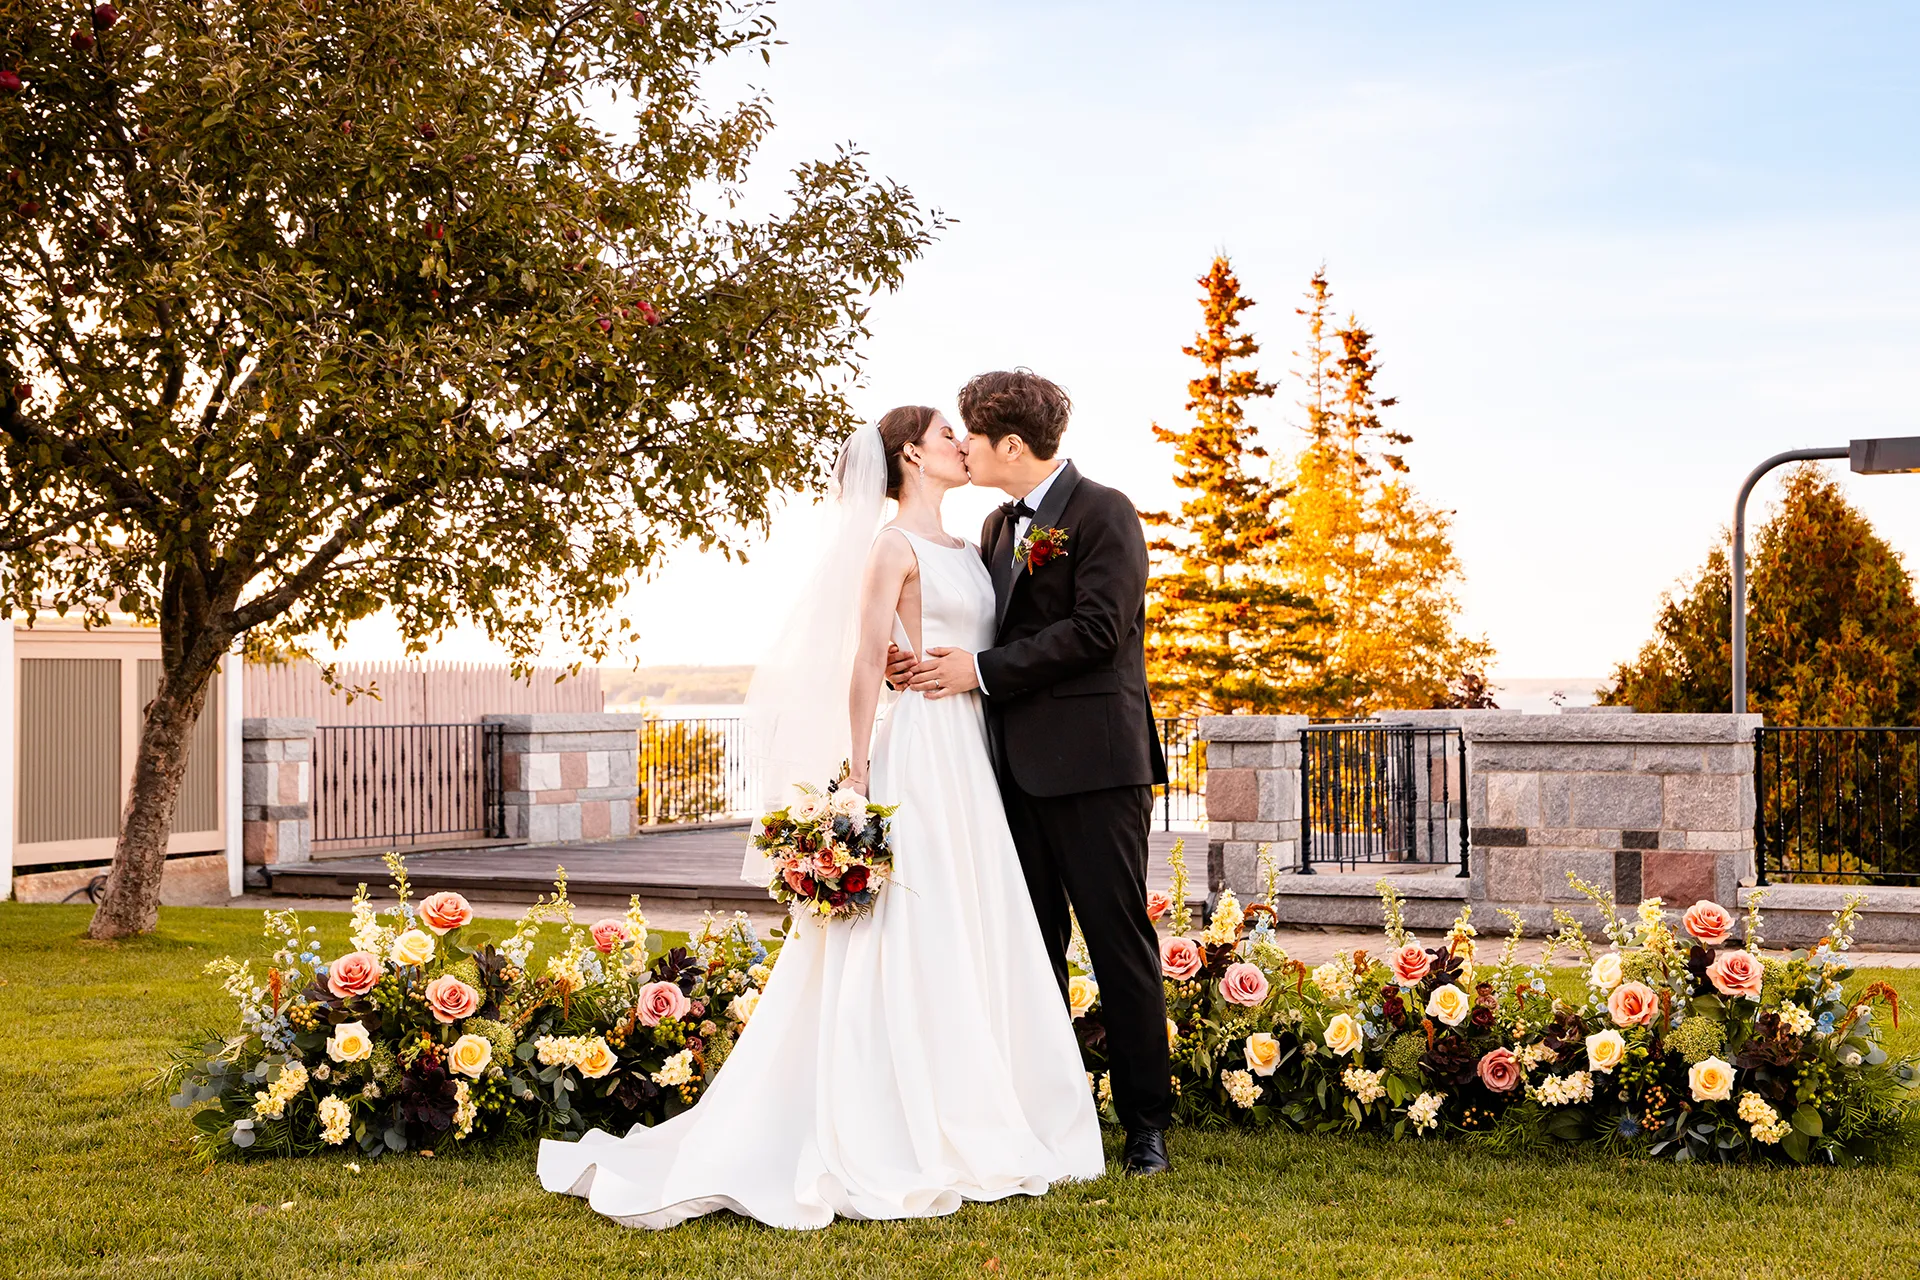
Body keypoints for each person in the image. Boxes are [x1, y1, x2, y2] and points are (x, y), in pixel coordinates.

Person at [537, 405, 1103, 1230]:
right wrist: (860, 778)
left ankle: (987, 1095)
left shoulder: (976, 544)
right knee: (920, 922)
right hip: (918, 756)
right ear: (911, 452)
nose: (962, 443)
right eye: (947, 434)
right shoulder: (892, 545)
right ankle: (899, 1117)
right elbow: (865, 660)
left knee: (976, 920)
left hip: (973, 752)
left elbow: (976, 644)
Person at [893, 369, 1173, 1175]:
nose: (965, 449)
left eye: (973, 438)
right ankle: (1050, 1111)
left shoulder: (1105, 512)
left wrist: (978, 670)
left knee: (1118, 944)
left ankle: (1145, 1125)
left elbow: (1097, 630)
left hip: (1095, 770)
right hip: (1007, 774)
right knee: (1031, 948)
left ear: (1011, 445)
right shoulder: (991, 527)